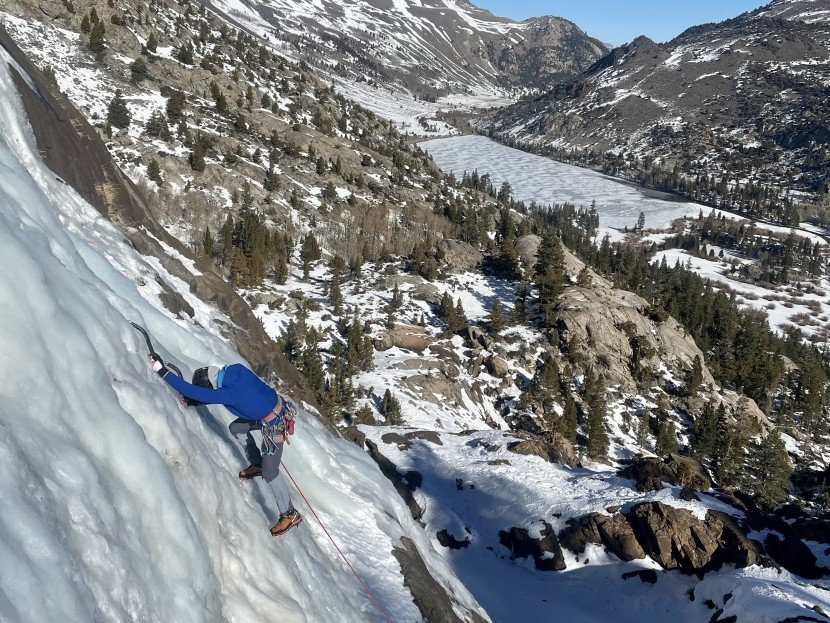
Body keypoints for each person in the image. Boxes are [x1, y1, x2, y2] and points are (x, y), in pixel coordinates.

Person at [150, 356, 302, 539]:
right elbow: (221, 395)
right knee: (237, 428)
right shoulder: (236, 371)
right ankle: (257, 463)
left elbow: (197, 392)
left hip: (276, 425)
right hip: (273, 410)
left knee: (271, 473)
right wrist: (195, 402)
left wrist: (162, 371)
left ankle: (290, 514)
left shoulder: (229, 393)